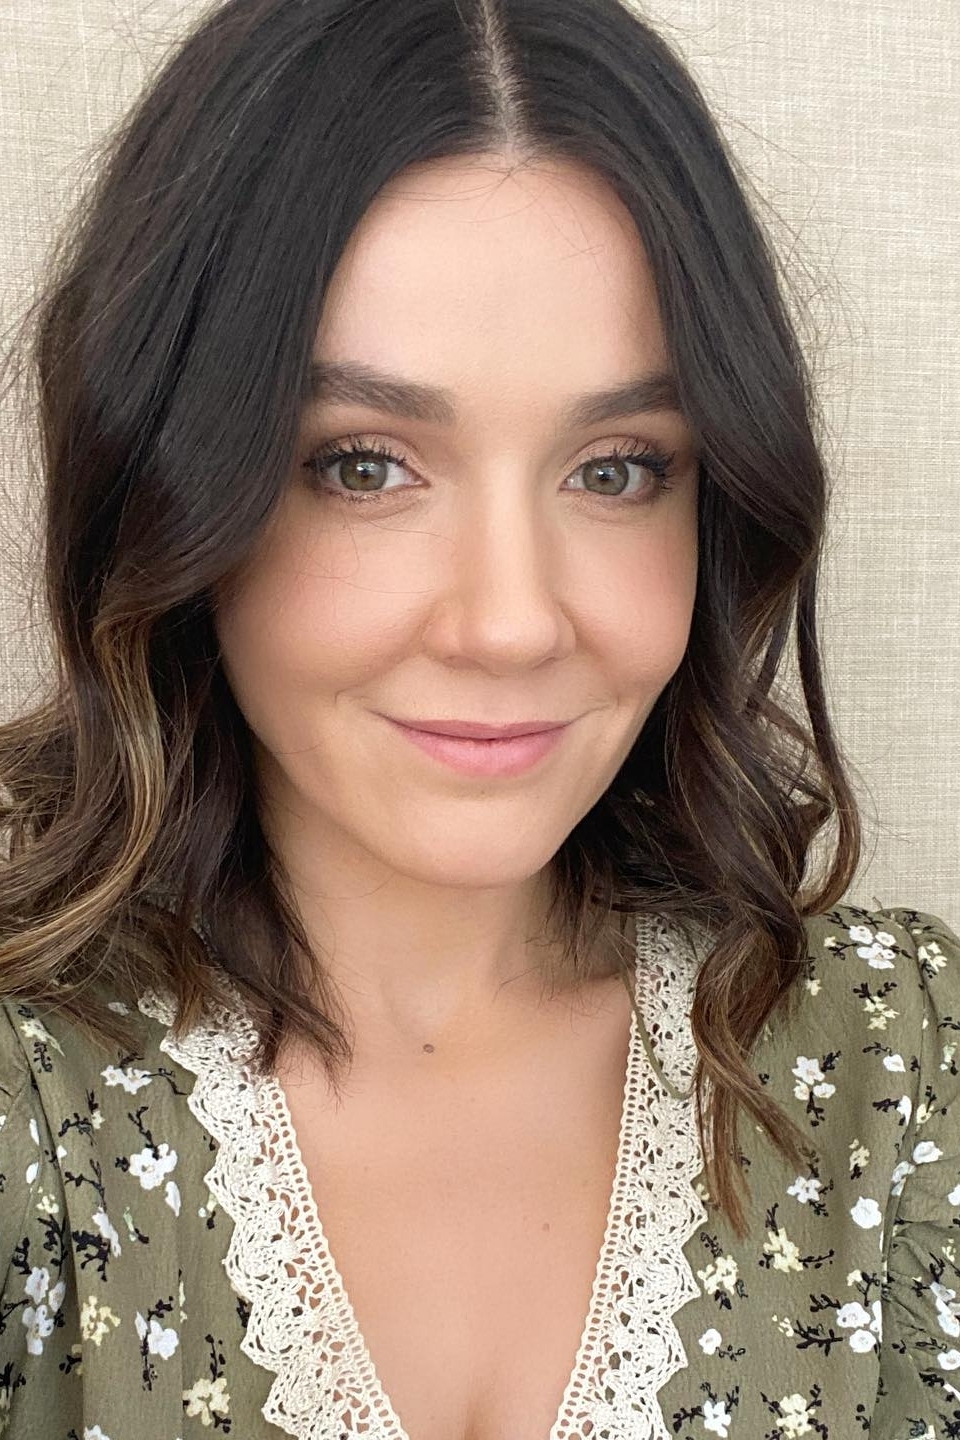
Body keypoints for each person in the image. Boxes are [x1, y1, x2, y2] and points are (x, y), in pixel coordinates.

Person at [0, 0, 956, 1435]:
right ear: (169, 492)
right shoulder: (31, 1111)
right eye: (364, 466)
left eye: (617, 468)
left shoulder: (897, 1064)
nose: (510, 623)